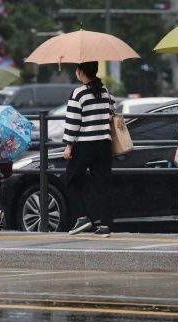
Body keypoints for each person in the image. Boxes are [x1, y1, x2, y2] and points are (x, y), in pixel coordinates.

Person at [63, 61, 114, 238]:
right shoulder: (105, 91)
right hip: (105, 144)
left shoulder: (78, 93)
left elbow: (73, 123)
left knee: (70, 180)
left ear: (81, 72)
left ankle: (82, 217)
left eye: (77, 69)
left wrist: (68, 146)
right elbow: (112, 109)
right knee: (103, 185)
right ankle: (105, 225)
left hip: (85, 144)